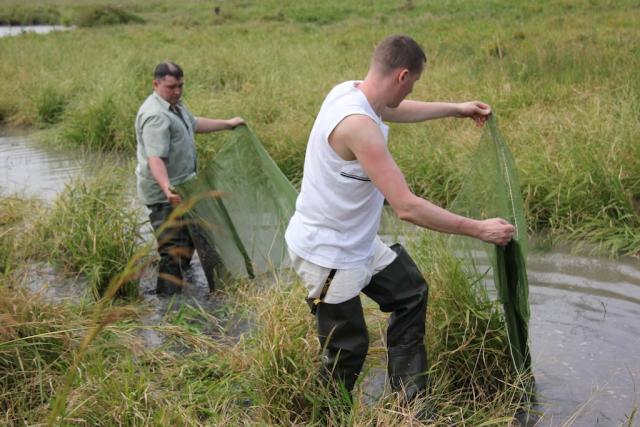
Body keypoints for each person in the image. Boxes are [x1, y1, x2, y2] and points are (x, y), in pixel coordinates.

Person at [284, 35, 515, 404]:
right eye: (413, 84)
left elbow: (391, 110)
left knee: (410, 292)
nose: (411, 92)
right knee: (347, 351)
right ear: (403, 75)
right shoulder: (357, 124)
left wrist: (456, 109)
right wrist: (479, 228)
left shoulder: (351, 91)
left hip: (356, 241)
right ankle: (321, 414)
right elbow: (406, 206)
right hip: (327, 252)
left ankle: (409, 402)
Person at [135, 61, 244, 296]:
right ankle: (168, 306)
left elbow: (193, 124)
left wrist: (228, 124)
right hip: (166, 195)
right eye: (171, 87)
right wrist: (167, 189)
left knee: (189, 242)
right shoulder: (155, 115)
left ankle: (184, 287)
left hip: (185, 187)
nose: (177, 91)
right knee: (172, 250)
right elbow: (155, 159)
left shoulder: (174, 105)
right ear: (156, 84)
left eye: (180, 86)